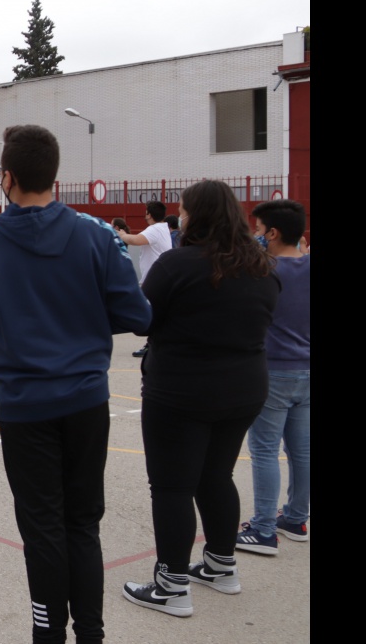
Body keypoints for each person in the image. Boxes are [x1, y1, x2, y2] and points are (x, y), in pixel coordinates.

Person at [0, 125, 150, 643]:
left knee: (43, 528)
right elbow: (138, 313)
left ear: (8, 177)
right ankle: (91, 633)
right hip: (86, 399)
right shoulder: (98, 236)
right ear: (55, 176)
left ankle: (47, 633)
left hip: (25, 406)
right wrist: (85, 318)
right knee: (82, 524)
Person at [121, 180, 278, 617]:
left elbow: (141, 319)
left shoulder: (178, 264)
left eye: (184, 210)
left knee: (172, 486)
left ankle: (171, 585)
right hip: (245, 390)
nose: (180, 217)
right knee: (216, 476)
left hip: (182, 392)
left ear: (199, 215)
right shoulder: (262, 265)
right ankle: (221, 565)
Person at [236, 199, 310, 556]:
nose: (256, 235)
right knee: (301, 449)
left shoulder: (264, 270)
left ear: (273, 232)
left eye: (260, 229)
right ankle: (296, 517)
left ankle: (264, 529)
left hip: (274, 368)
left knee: (264, 449)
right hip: (306, 369)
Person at [117, 200, 172, 357]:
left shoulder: (155, 229)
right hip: (158, 277)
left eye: (146, 211)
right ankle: (154, 341)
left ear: (148, 213)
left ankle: (151, 343)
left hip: (155, 278)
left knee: (150, 312)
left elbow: (135, 240)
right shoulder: (161, 228)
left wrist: (122, 234)